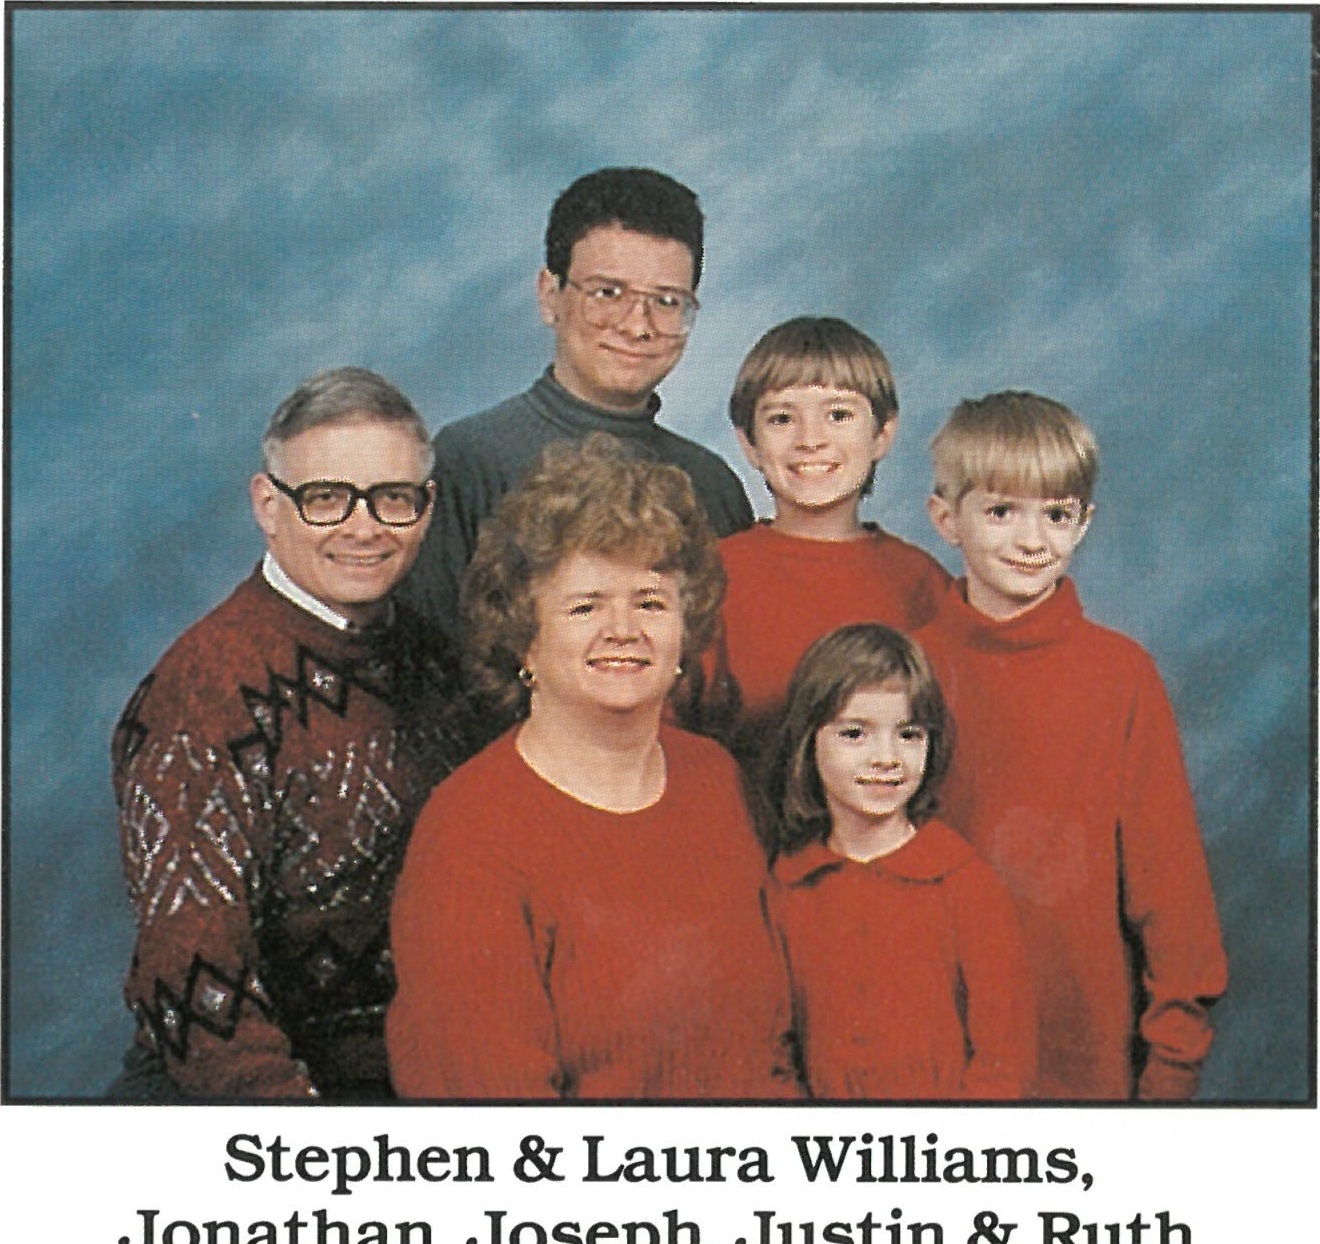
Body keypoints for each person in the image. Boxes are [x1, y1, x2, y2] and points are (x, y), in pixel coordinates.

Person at [386, 434, 797, 1099]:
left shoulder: (715, 779)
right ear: (524, 637)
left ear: (685, 629)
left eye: (651, 602)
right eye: (585, 605)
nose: (623, 630)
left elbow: (772, 1049)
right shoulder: (469, 836)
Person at [109, 368, 475, 1099]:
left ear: (427, 507)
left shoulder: (436, 660)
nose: (364, 528)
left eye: (392, 497)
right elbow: (193, 992)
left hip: (413, 1072)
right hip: (259, 1098)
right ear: (268, 505)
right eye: (326, 497)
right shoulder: (205, 694)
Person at [917, 390, 1228, 1100]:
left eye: (1056, 515)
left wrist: (1173, 1062)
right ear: (946, 519)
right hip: (931, 1044)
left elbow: (1170, 885)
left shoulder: (1120, 675)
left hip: (1082, 1046)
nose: (1032, 540)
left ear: (1083, 522)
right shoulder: (907, 670)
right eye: (1001, 511)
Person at [399, 167, 754, 646]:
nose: (638, 326)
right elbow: (428, 659)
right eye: (608, 293)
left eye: (667, 301)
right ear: (550, 296)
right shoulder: (470, 461)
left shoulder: (713, 485)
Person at [765, 624, 1035, 1100]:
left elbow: (1003, 1060)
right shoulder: (789, 885)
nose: (887, 758)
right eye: (855, 734)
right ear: (809, 742)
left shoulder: (965, 884)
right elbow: (774, 1050)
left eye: (909, 734)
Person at [686, 317, 948, 768]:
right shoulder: (714, 577)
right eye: (782, 419)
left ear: (882, 434)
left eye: (839, 415)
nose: (810, 440)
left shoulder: (920, 582)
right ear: (749, 443)